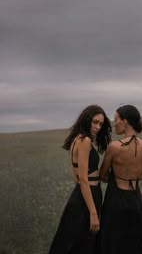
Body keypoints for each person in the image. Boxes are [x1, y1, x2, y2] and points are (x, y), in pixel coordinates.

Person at [48, 105, 112, 254]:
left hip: (82, 195)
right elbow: (82, 179)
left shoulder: (76, 139)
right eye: (94, 122)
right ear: (86, 119)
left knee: (74, 241)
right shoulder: (85, 141)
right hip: (88, 196)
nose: (97, 127)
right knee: (83, 243)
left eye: (100, 124)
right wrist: (93, 213)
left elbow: (76, 176)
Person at [97, 104, 142, 254]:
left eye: (116, 119)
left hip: (115, 200)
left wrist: (116, 176)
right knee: (136, 242)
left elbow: (102, 175)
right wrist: (131, 176)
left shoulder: (114, 147)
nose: (114, 122)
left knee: (113, 242)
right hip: (136, 200)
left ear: (125, 121)